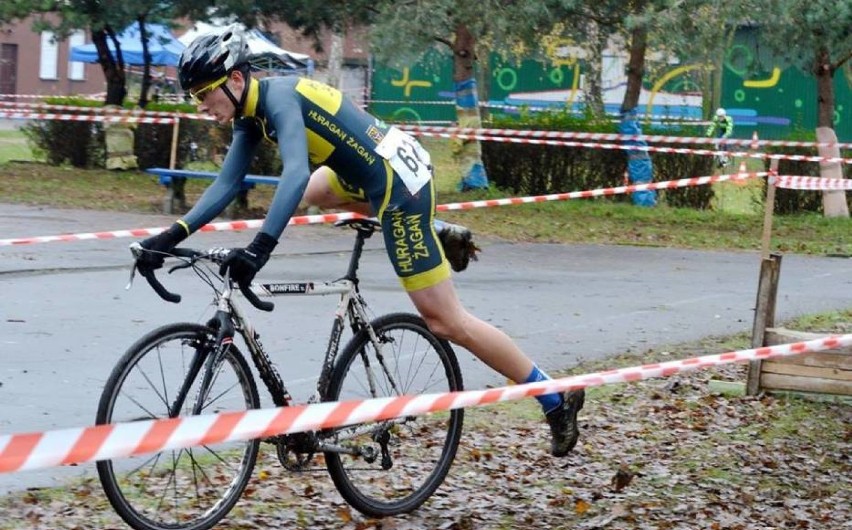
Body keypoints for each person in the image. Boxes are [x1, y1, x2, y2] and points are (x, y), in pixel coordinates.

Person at [136, 26, 584, 457]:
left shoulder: (281, 99)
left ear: (235, 79)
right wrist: (170, 235)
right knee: (314, 191)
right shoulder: (251, 112)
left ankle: (554, 396)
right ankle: (435, 229)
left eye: (202, 94)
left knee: (447, 322)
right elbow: (227, 184)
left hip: (397, 187)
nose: (200, 106)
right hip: (365, 172)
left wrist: (259, 250)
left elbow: (292, 171)